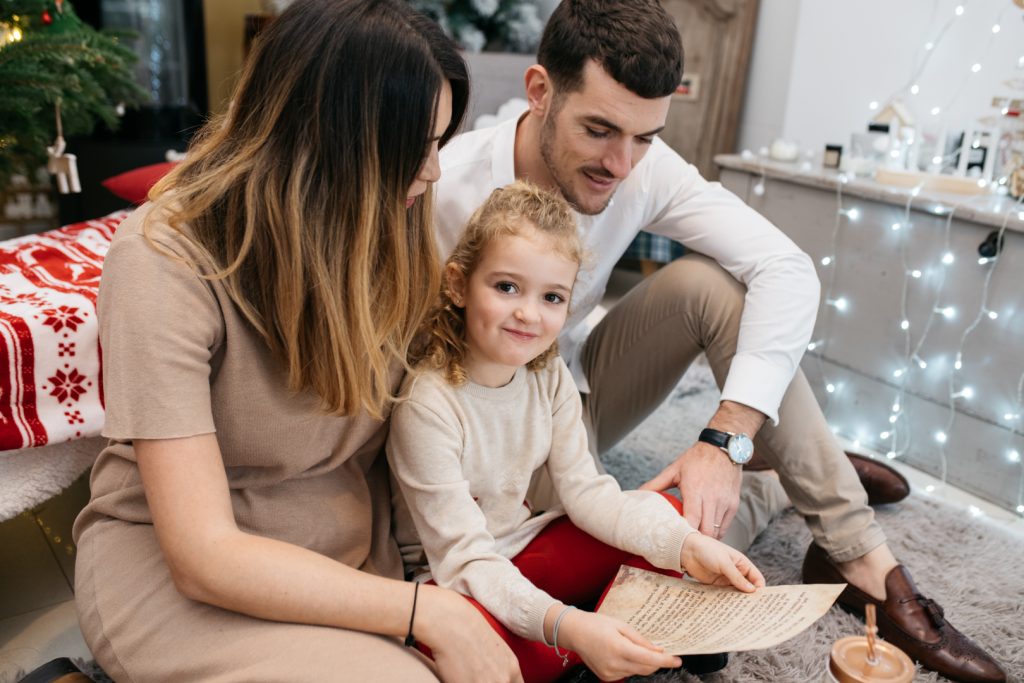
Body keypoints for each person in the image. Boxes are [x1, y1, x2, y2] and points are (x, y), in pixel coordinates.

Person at [431, 1, 1006, 681]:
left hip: (564, 402)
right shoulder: (446, 189)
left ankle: (859, 555)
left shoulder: (640, 166)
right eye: (599, 129)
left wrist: (727, 434)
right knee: (641, 546)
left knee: (711, 285)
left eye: (644, 136)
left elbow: (787, 268)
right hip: (472, 436)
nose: (621, 163)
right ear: (539, 91)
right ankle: (800, 474)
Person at [71, 2, 524, 681]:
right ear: (334, 137)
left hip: (348, 564)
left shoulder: (386, 226)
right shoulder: (161, 256)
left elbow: (431, 430)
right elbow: (203, 555)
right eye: (417, 147)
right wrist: (424, 612)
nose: (432, 172)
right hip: (180, 579)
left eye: (438, 144)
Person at [388, 181, 764, 683]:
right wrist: (572, 627)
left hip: (522, 549)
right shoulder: (428, 403)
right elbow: (465, 559)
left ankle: (603, 641)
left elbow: (587, 494)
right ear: (458, 285)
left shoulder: (547, 375)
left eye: (552, 297)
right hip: (455, 581)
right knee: (464, 657)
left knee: (672, 517)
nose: (528, 313)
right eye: (506, 287)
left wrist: (685, 545)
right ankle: (601, 642)